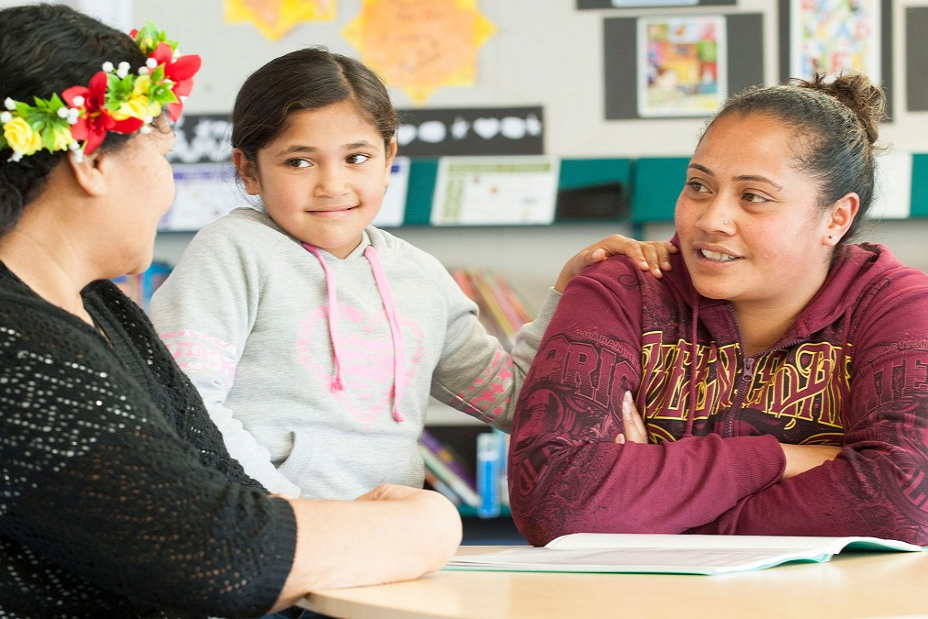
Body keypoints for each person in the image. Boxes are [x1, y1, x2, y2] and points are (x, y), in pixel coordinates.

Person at [0, 5, 461, 618]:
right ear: (90, 161)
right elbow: (221, 551)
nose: (166, 187)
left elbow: (212, 477)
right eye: (160, 154)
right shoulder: (18, 349)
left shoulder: (103, 309)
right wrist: (425, 524)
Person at [148, 47, 675, 500]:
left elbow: (516, 402)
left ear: (388, 157)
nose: (333, 184)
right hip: (264, 535)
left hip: (383, 540)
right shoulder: (231, 250)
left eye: (357, 157)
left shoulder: (418, 277)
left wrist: (569, 290)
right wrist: (288, 509)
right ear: (248, 170)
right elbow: (183, 400)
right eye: (300, 162)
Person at [508, 71, 928, 547]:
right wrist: (781, 459)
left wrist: (655, 512)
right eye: (699, 187)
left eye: (754, 197)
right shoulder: (619, 290)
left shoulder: (900, 307)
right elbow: (553, 501)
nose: (711, 219)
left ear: (835, 218)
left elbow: (904, 505)